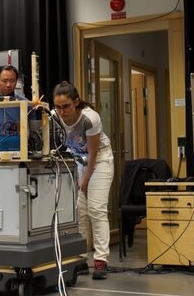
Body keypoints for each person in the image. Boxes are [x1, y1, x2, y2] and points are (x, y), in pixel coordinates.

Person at [52, 81, 114, 280]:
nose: (62, 111)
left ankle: (101, 260)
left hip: (100, 160)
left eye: (66, 106)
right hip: (79, 160)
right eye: (58, 107)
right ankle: (81, 259)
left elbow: (94, 155)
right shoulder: (55, 116)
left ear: (76, 102)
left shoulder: (90, 118)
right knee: (80, 211)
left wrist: (84, 182)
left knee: (96, 209)